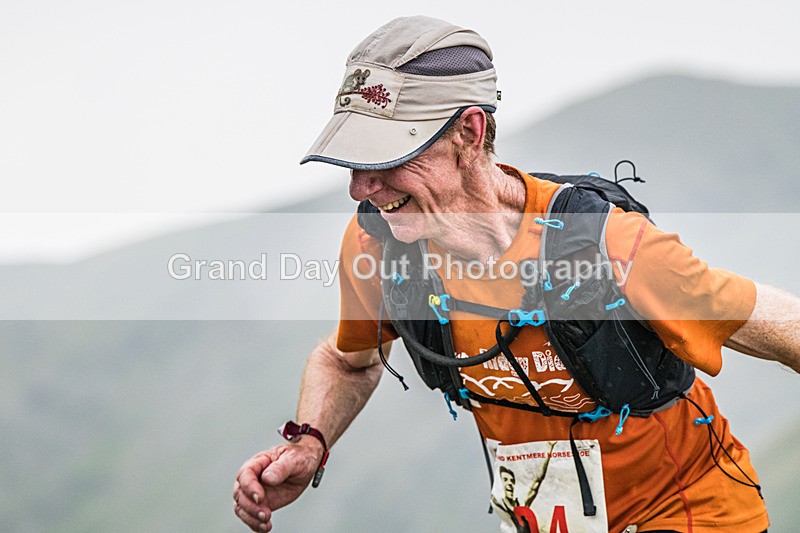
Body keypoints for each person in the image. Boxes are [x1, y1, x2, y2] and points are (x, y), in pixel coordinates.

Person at [233, 16, 799, 533]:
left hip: (690, 511)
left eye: (385, 157)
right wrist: (310, 442)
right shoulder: (378, 246)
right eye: (353, 162)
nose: (360, 187)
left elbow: (772, 326)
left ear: (469, 132)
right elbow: (347, 361)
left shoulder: (602, 242)